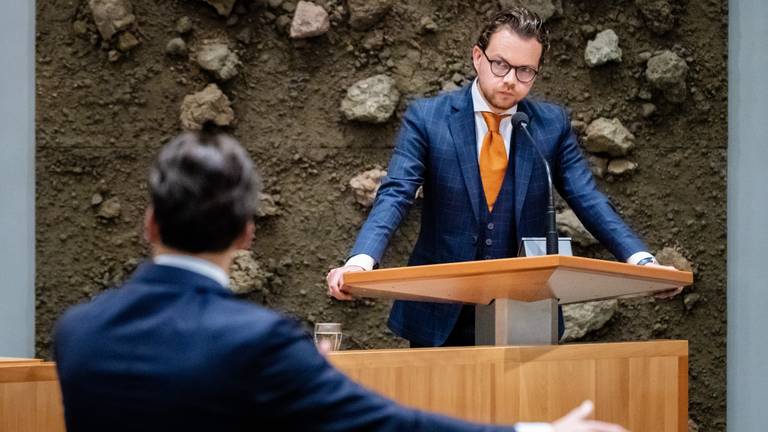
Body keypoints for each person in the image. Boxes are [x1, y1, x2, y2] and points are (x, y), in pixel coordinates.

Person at [54, 132, 627, 432]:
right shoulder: (260, 342)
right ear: (247, 233)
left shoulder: (77, 334)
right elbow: (385, 427)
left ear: (149, 222)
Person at [327, 7, 680, 348]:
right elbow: (396, 193)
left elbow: (587, 198)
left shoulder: (550, 126)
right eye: (500, 64)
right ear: (477, 57)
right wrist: (360, 262)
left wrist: (642, 261)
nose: (510, 80)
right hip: (439, 312)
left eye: (525, 70)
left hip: (523, 311)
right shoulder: (428, 118)